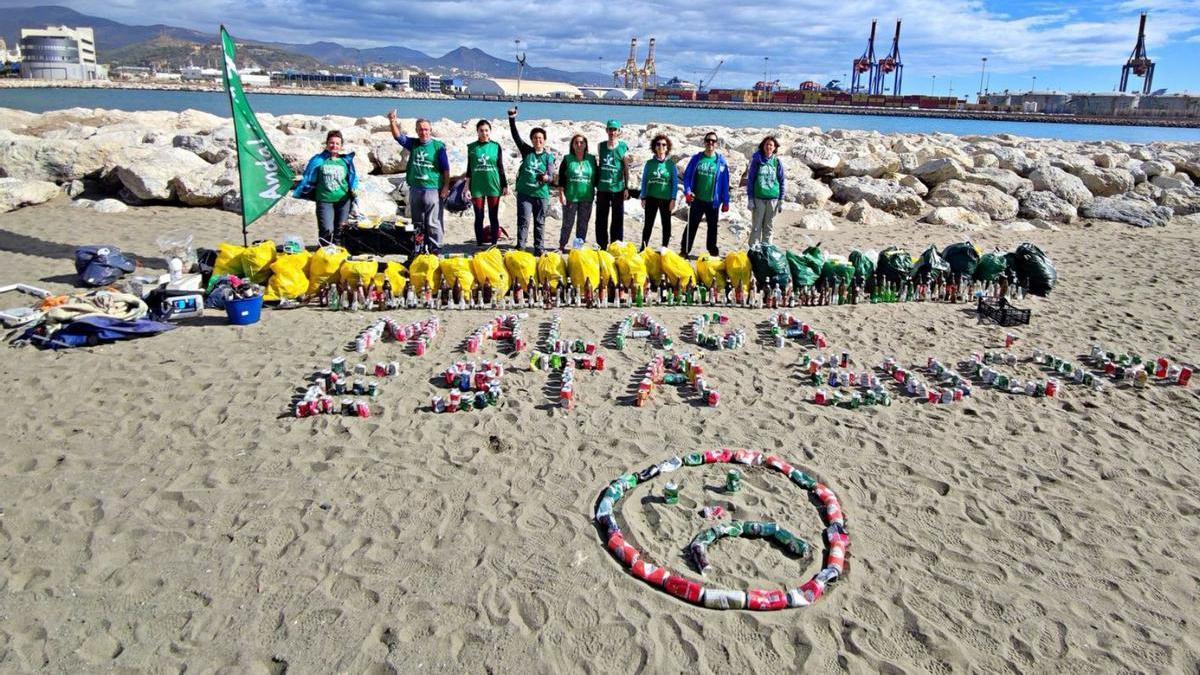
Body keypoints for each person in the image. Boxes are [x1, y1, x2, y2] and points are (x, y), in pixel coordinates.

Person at [388, 111, 450, 253]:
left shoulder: (438, 147)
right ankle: (419, 248)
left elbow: (446, 169)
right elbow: (398, 137)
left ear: (430, 130)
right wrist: (392, 121)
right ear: (416, 131)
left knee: (433, 222)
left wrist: (446, 186)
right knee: (418, 223)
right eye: (420, 129)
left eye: (426, 129)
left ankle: (436, 249)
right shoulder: (414, 144)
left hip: (433, 189)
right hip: (415, 189)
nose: (423, 132)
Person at [293, 130, 359, 247]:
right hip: (324, 200)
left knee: (341, 231)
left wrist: (354, 190)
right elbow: (308, 176)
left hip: (343, 201)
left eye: (337, 143)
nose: (334, 146)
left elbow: (352, 178)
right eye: (331, 143)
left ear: (341, 146)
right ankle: (323, 256)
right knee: (326, 230)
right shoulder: (318, 160)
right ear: (327, 144)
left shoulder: (345, 161)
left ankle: (338, 256)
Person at [508, 107, 557, 255]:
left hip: (541, 194)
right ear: (532, 140)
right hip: (525, 193)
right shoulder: (526, 151)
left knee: (539, 222)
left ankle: (539, 248)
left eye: (540, 138)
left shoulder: (549, 157)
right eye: (535, 138)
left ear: (544, 140)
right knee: (523, 221)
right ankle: (521, 246)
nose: (538, 140)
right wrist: (512, 118)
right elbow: (515, 136)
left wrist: (545, 178)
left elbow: (552, 175)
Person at [681, 132, 731, 258]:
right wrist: (687, 191)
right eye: (708, 140)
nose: (710, 143)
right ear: (704, 142)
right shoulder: (697, 158)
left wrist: (726, 201)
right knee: (691, 225)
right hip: (697, 199)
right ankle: (684, 249)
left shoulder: (721, 162)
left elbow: (725, 183)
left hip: (713, 201)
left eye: (713, 141)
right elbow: (687, 176)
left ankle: (712, 250)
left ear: (716, 144)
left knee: (712, 228)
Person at [465, 119, 508, 247]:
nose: (484, 133)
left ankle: (494, 243)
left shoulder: (496, 146)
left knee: (493, 215)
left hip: (493, 184)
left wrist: (505, 185)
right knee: (479, 216)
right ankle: (479, 243)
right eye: (481, 130)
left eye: (486, 130)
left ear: (490, 131)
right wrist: (466, 187)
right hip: (477, 186)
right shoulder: (472, 147)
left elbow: (500, 166)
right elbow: (469, 169)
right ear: (477, 132)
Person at [556, 134, 598, 251]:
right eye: (576, 143)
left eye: (581, 142)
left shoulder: (591, 159)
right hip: (571, 197)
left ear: (585, 145)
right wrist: (561, 193)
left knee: (583, 224)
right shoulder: (567, 159)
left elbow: (597, 178)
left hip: (587, 197)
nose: (579, 145)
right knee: (567, 223)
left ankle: (578, 247)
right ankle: (562, 245)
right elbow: (561, 179)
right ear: (572, 145)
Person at [744, 135, 786, 247]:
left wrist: (781, 199)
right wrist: (750, 199)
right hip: (758, 199)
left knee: (769, 227)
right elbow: (751, 180)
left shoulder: (777, 162)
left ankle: (766, 251)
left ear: (775, 147)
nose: (769, 147)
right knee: (756, 226)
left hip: (773, 199)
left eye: (771, 145)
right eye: (766, 144)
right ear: (763, 146)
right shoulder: (756, 160)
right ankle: (754, 250)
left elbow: (781, 181)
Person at [595, 120, 630, 248]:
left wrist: (626, 187)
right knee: (601, 218)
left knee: (617, 219)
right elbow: (599, 166)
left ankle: (616, 244)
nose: (612, 132)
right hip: (603, 188)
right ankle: (602, 244)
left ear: (618, 132)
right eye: (610, 129)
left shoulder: (623, 147)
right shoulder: (601, 146)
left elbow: (626, 168)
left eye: (614, 130)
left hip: (618, 188)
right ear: (606, 131)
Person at [640, 134, 678, 250]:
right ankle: (643, 247)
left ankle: (664, 247)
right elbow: (645, 180)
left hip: (666, 199)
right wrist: (643, 197)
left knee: (666, 224)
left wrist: (673, 199)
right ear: (655, 147)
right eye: (658, 144)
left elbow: (675, 183)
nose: (661, 147)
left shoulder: (670, 165)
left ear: (667, 148)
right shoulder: (649, 163)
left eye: (664, 145)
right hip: (651, 197)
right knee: (648, 224)